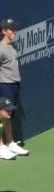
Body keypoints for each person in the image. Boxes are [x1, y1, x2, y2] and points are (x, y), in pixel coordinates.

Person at [0, 19, 28, 160]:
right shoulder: (0, 49)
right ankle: (0, 146)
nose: (14, 32)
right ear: (3, 31)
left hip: (14, 85)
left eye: (15, 29)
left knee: (8, 116)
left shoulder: (13, 46)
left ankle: (10, 143)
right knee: (2, 115)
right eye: (11, 29)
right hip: (4, 85)